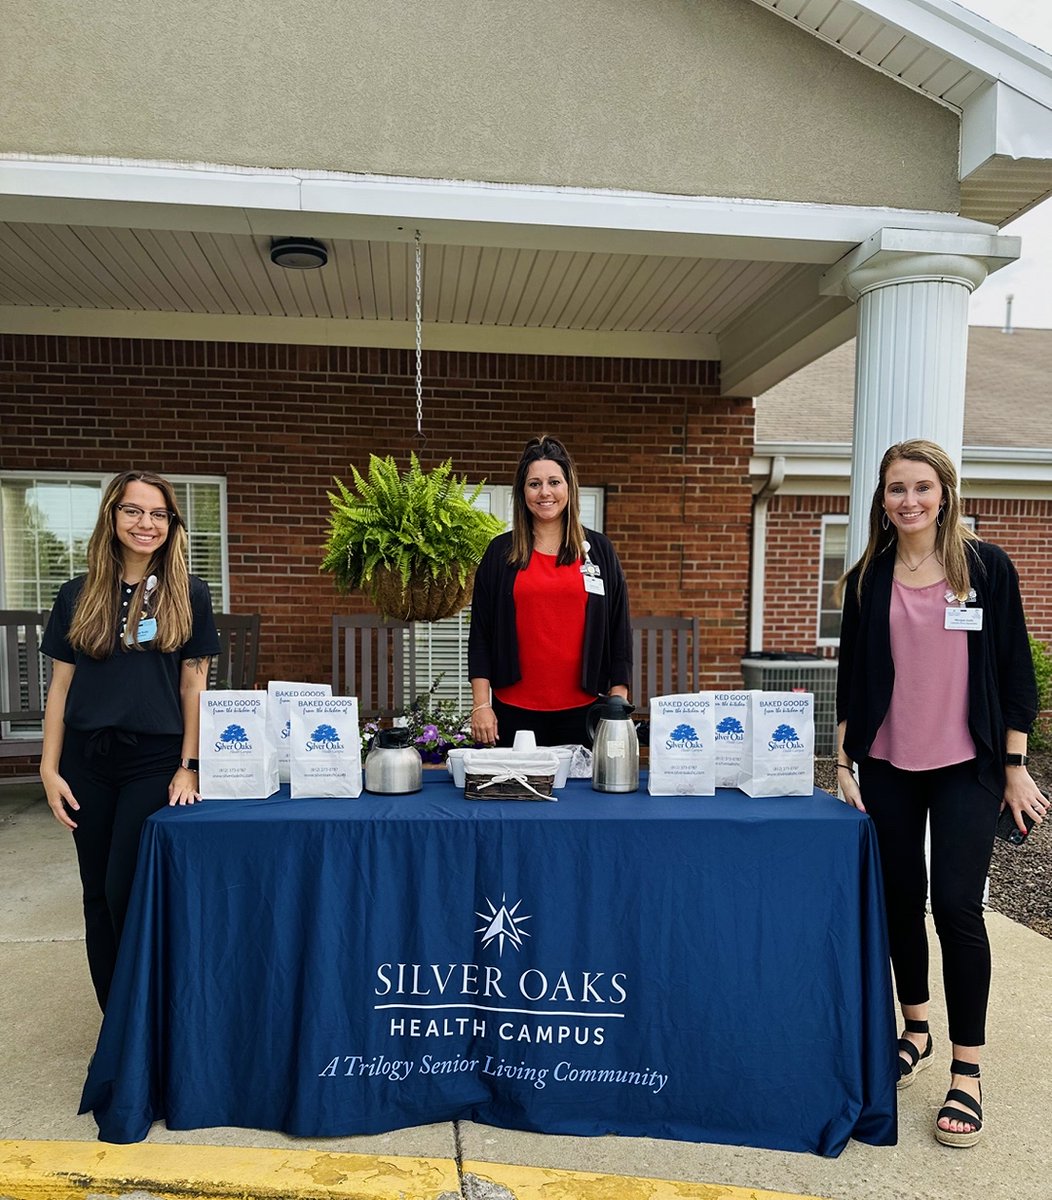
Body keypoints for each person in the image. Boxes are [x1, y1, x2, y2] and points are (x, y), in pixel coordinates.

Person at [835, 439, 1043, 1149]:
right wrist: (842, 758)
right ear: (882, 500)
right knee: (899, 898)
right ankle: (915, 1027)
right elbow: (852, 675)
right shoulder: (868, 575)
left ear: (945, 493)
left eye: (922, 486)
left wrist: (1013, 764)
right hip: (889, 761)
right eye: (896, 488)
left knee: (956, 905)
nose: (910, 499)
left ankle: (968, 1070)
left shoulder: (985, 567)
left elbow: (1016, 672)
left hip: (966, 764)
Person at [40, 469, 220, 1011]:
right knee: (96, 894)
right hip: (86, 762)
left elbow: (194, 685)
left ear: (172, 523)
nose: (147, 523)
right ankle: (115, 1027)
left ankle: (147, 1017)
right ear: (112, 517)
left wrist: (189, 764)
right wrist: (49, 770)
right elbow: (60, 688)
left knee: (126, 890)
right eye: (134, 510)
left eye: (159, 513)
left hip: (154, 760)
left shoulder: (190, 593)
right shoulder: (76, 594)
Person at [468, 435, 632, 748]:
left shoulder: (599, 551)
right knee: (517, 796)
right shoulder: (500, 554)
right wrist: (481, 704)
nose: (545, 492)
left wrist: (618, 701)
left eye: (554, 482)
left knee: (585, 797)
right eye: (534, 484)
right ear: (522, 492)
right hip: (513, 711)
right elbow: (481, 636)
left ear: (569, 488)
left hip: (586, 711)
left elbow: (618, 630)